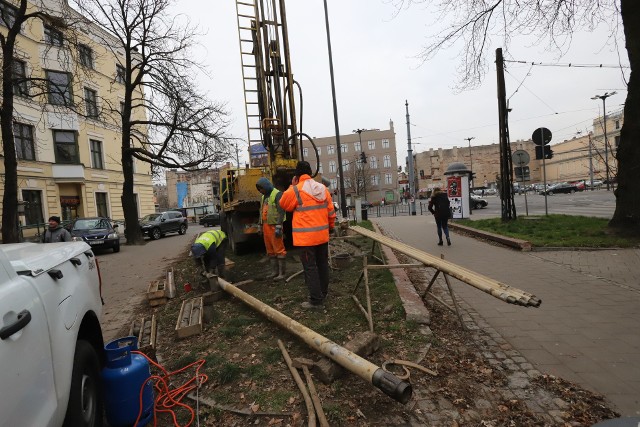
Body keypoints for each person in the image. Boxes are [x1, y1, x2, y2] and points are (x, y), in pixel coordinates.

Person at [280, 161, 336, 309]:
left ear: (297, 176)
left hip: (306, 240)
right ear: (310, 173)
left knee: (310, 268)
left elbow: (283, 204)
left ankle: (316, 301)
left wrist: (292, 185)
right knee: (322, 264)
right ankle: (323, 293)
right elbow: (331, 212)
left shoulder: (296, 190)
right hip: (322, 237)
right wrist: (330, 228)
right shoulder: (323, 189)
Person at [256, 177, 287, 280]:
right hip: (266, 227)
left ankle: (282, 273)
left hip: (274, 226)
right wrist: (260, 225)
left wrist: (279, 225)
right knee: (270, 250)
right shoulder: (263, 197)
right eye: (259, 190)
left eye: (261, 189)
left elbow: (281, 210)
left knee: (279, 249)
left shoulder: (277, 194)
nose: (260, 191)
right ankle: (275, 272)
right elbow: (261, 212)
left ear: (266, 186)